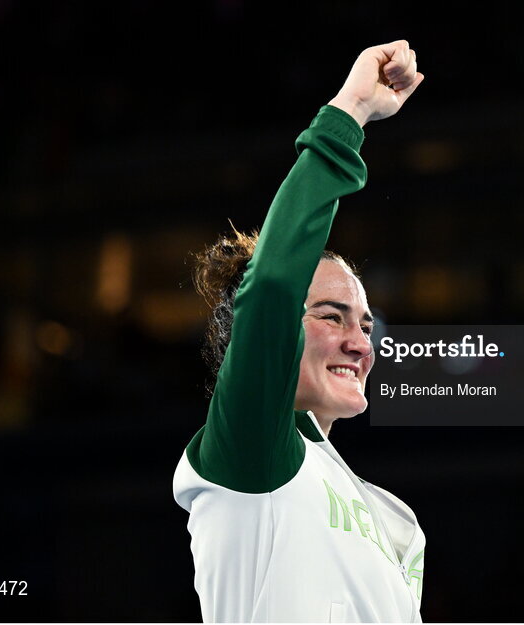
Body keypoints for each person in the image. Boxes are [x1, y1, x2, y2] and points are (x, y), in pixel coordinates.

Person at [173, 41, 425, 623]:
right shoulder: (254, 455)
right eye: (330, 316)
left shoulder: (390, 518)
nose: (361, 343)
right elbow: (271, 291)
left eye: (364, 324)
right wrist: (350, 113)